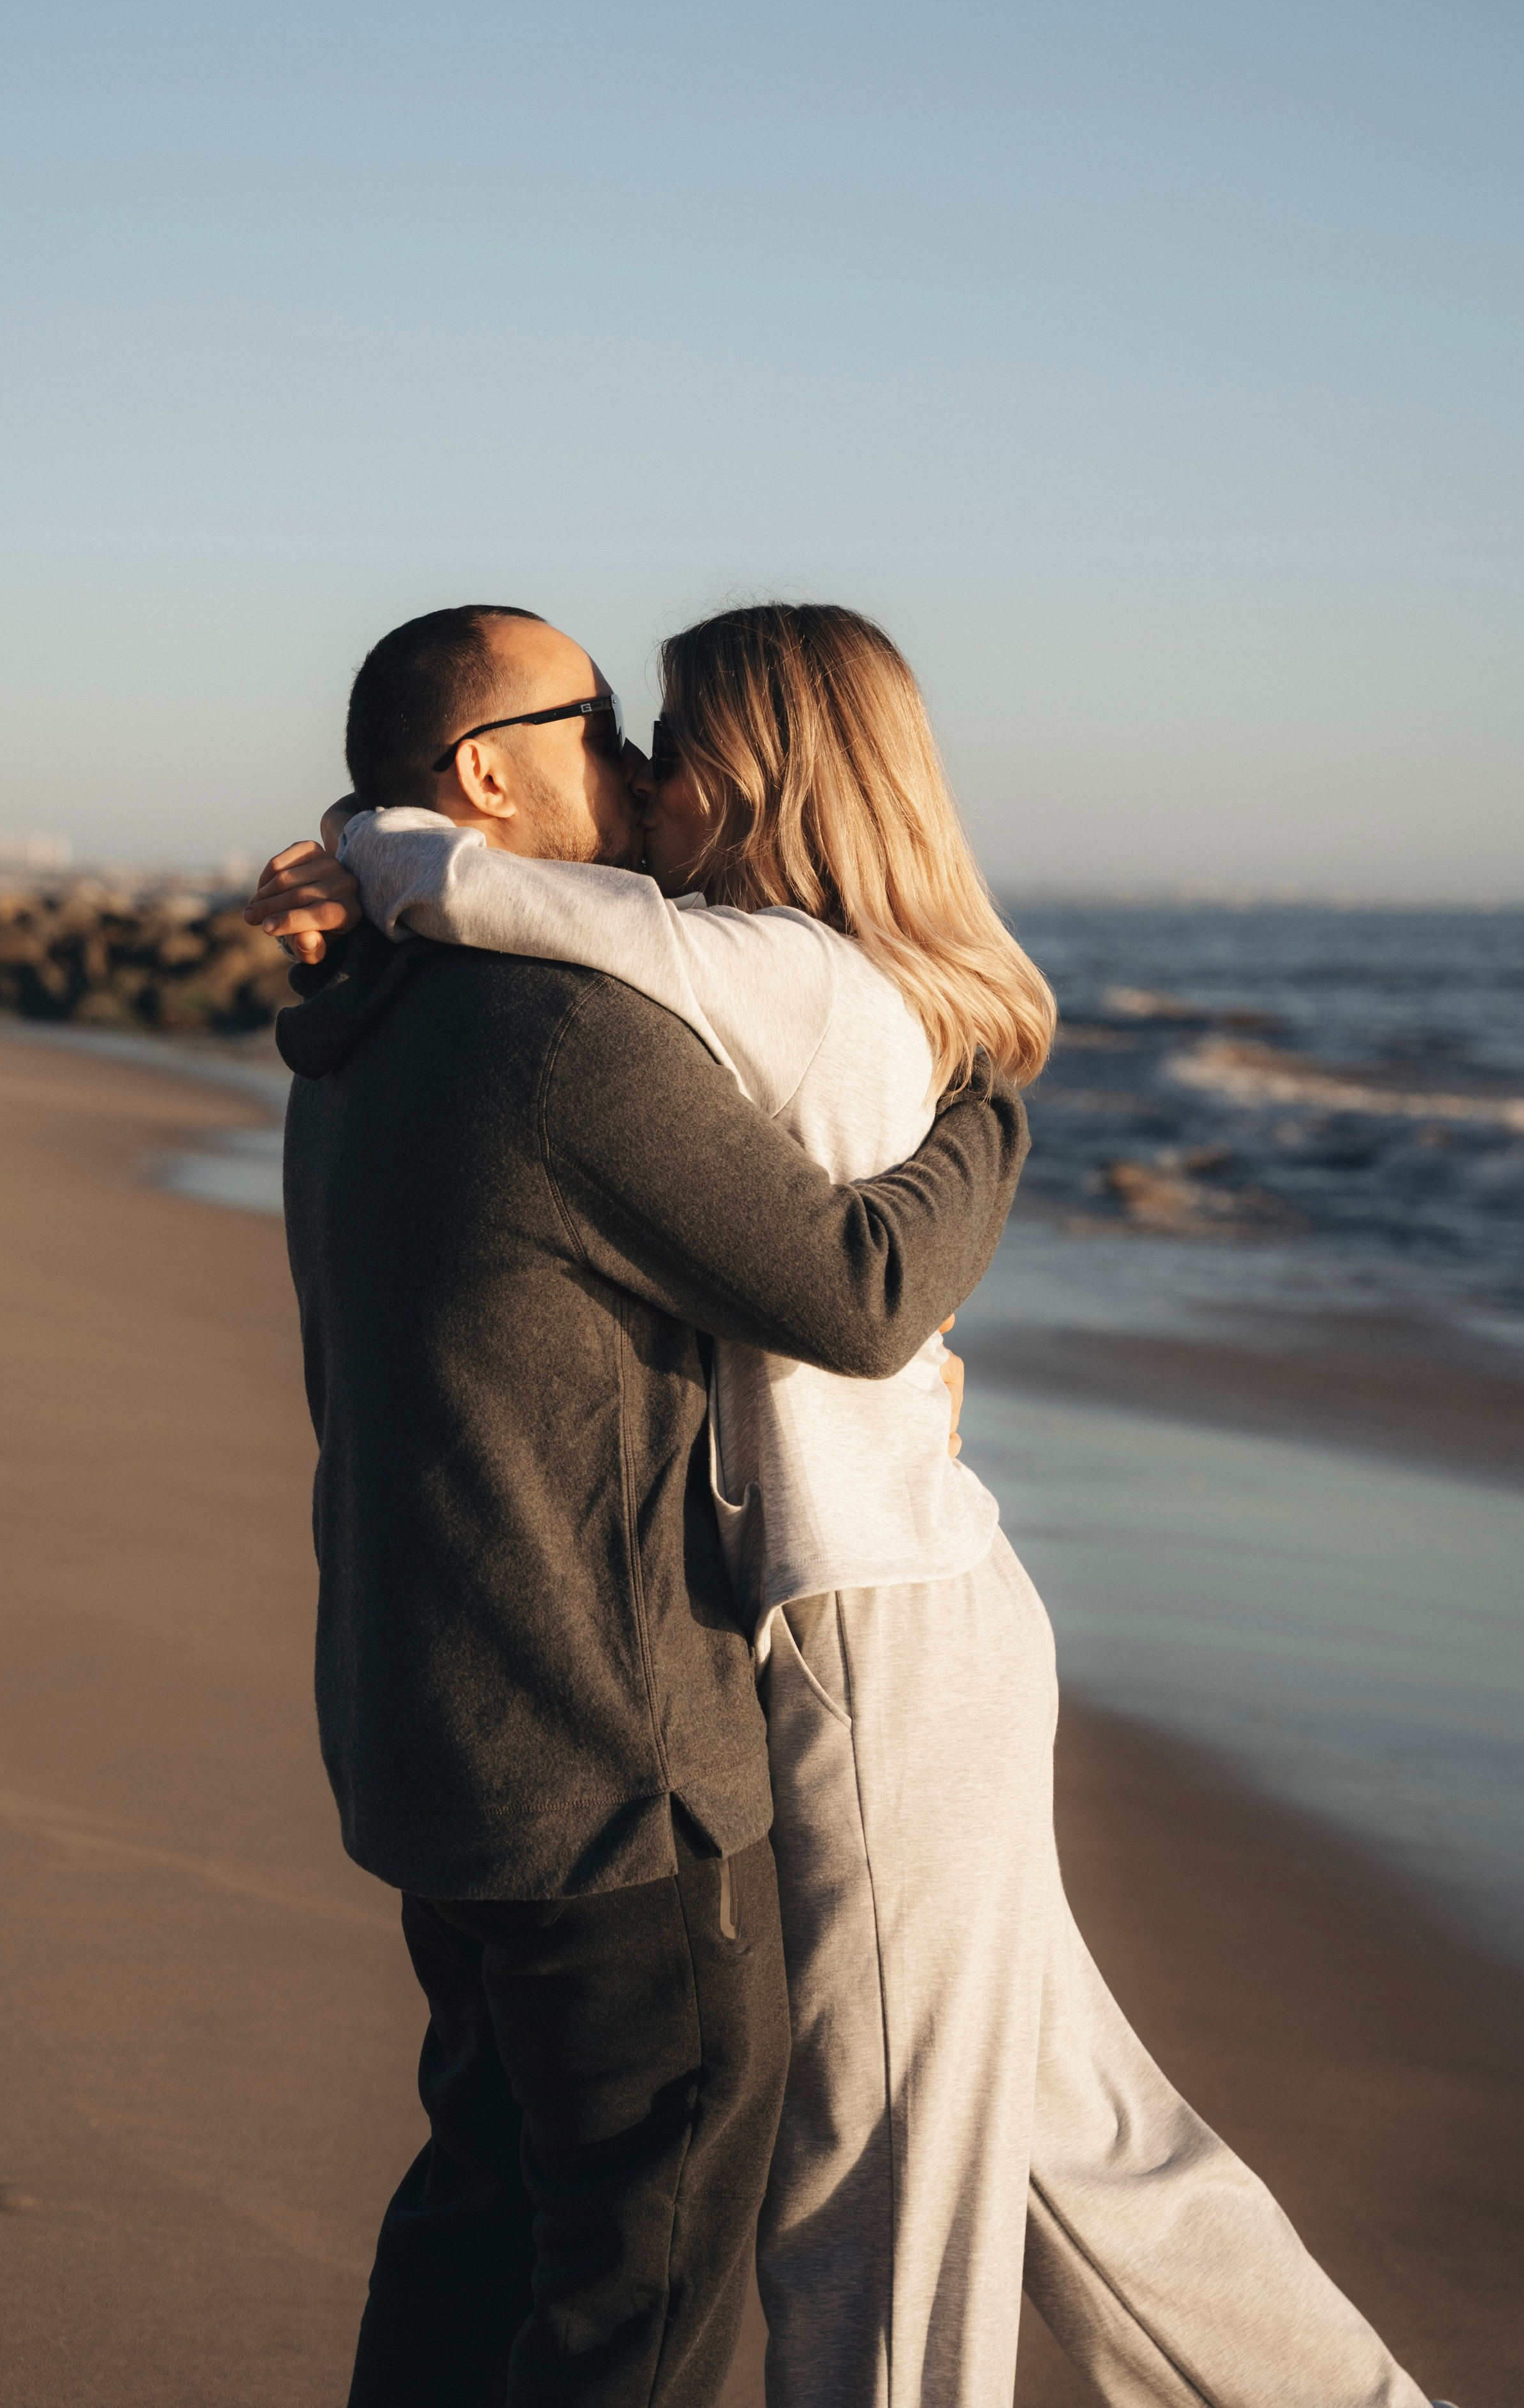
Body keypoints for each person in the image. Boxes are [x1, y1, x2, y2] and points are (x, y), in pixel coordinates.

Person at [254, 602, 1446, 2408]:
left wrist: (382, 853)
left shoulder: (737, 979)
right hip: (892, 1614)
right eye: (613, 727)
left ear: (763, 773)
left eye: (666, 732)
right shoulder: (698, 977)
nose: (643, 766)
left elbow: (853, 1281)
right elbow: (558, 942)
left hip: (868, 1629)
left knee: (880, 2186)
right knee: (1070, 2136)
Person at [263, 603, 1029, 2408]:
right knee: (642, 2285)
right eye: (593, 722)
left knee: (481, 2217)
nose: (635, 761)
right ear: (486, 773)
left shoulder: (357, 1012)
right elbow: (851, 1290)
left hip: (426, 1731)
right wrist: (985, 1109)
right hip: (610, 1771)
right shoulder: (558, 1035)